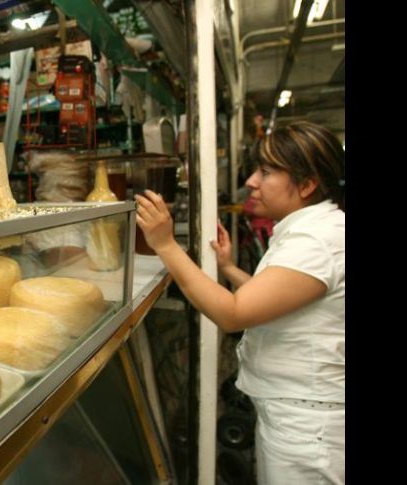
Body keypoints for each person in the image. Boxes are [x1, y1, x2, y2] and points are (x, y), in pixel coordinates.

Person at [135, 121, 344, 484]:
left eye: (265, 172)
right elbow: (278, 302)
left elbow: (232, 314)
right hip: (297, 418)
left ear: (307, 184)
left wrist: (165, 244)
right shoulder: (314, 230)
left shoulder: (316, 241)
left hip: (308, 430)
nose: (251, 181)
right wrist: (230, 268)